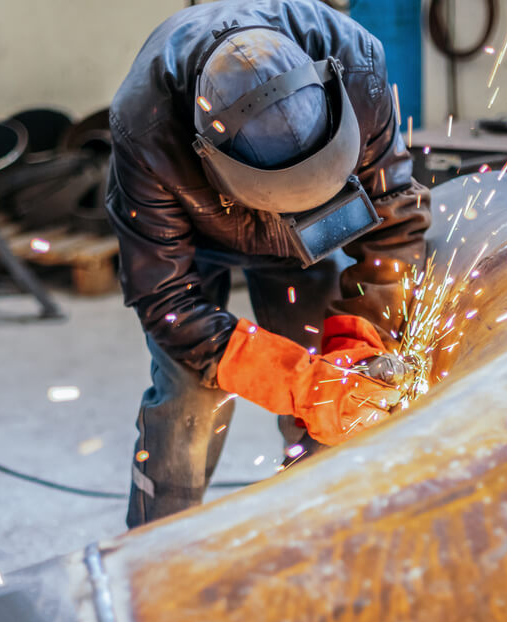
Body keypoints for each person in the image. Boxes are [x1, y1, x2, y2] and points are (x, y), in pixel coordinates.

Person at [107, 0, 431, 528]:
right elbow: (164, 299)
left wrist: (362, 337)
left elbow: (394, 221)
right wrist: (282, 377)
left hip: (307, 242)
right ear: (207, 152)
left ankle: (317, 532)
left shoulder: (356, 60)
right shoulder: (145, 128)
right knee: (187, 403)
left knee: (328, 377)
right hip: (189, 237)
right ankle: (153, 549)